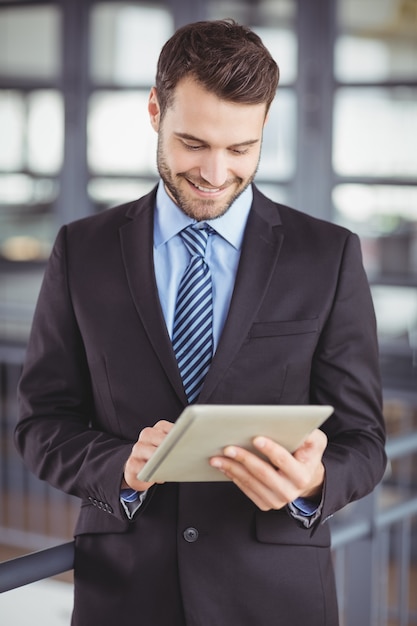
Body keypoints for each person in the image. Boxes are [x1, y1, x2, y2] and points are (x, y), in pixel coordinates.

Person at [15, 19, 386, 626]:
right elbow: (40, 424)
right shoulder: (82, 251)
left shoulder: (328, 255)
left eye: (241, 149)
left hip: (275, 595)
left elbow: (365, 442)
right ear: (155, 110)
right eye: (193, 143)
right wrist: (121, 470)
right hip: (125, 594)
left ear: (264, 125)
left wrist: (315, 482)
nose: (216, 174)